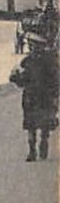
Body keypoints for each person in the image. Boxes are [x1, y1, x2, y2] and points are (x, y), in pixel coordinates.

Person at [11, 32, 59, 161]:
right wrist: (15, 76)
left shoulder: (49, 61)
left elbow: (56, 79)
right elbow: (21, 80)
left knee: (44, 124)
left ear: (41, 46)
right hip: (30, 97)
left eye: (34, 46)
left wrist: (55, 95)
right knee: (30, 125)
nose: (32, 48)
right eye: (31, 46)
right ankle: (32, 151)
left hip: (45, 97)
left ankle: (44, 142)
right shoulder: (26, 61)